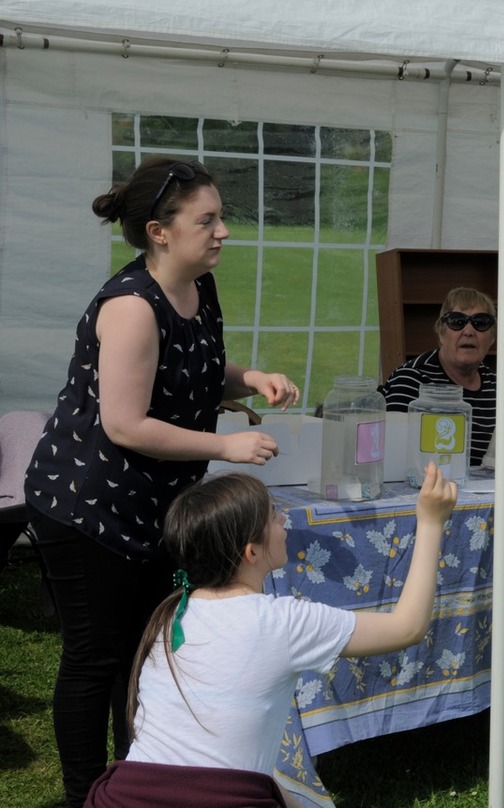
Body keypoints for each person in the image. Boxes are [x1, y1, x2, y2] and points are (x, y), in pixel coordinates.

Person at [24, 156, 301, 808]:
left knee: (141, 660)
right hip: (87, 507)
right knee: (96, 661)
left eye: (220, 217)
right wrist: (224, 444)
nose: (222, 231)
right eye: (207, 220)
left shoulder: (197, 284)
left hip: (149, 508)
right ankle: (85, 797)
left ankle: (135, 787)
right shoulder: (130, 307)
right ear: (159, 231)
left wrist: (246, 379)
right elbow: (124, 423)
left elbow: (191, 357)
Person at [82, 461, 458, 807]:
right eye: (272, 517)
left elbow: (218, 754)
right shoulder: (281, 622)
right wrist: (430, 521)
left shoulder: (172, 615)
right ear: (251, 553)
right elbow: (407, 626)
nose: (282, 522)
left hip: (123, 796)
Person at [378, 287, 498, 465]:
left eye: (480, 323)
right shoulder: (412, 379)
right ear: (441, 333)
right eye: (457, 322)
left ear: (493, 337)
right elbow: (393, 456)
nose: (469, 331)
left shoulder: (496, 385)